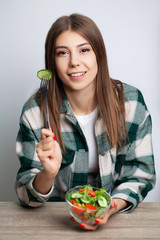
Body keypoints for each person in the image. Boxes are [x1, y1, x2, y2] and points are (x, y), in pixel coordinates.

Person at [15, 13, 156, 230]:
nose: (74, 62)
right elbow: (26, 196)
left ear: (98, 54)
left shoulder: (131, 104)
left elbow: (141, 174)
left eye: (84, 50)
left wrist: (111, 206)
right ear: (52, 61)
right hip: (55, 224)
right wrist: (48, 174)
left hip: (114, 222)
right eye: (62, 53)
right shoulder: (35, 113)